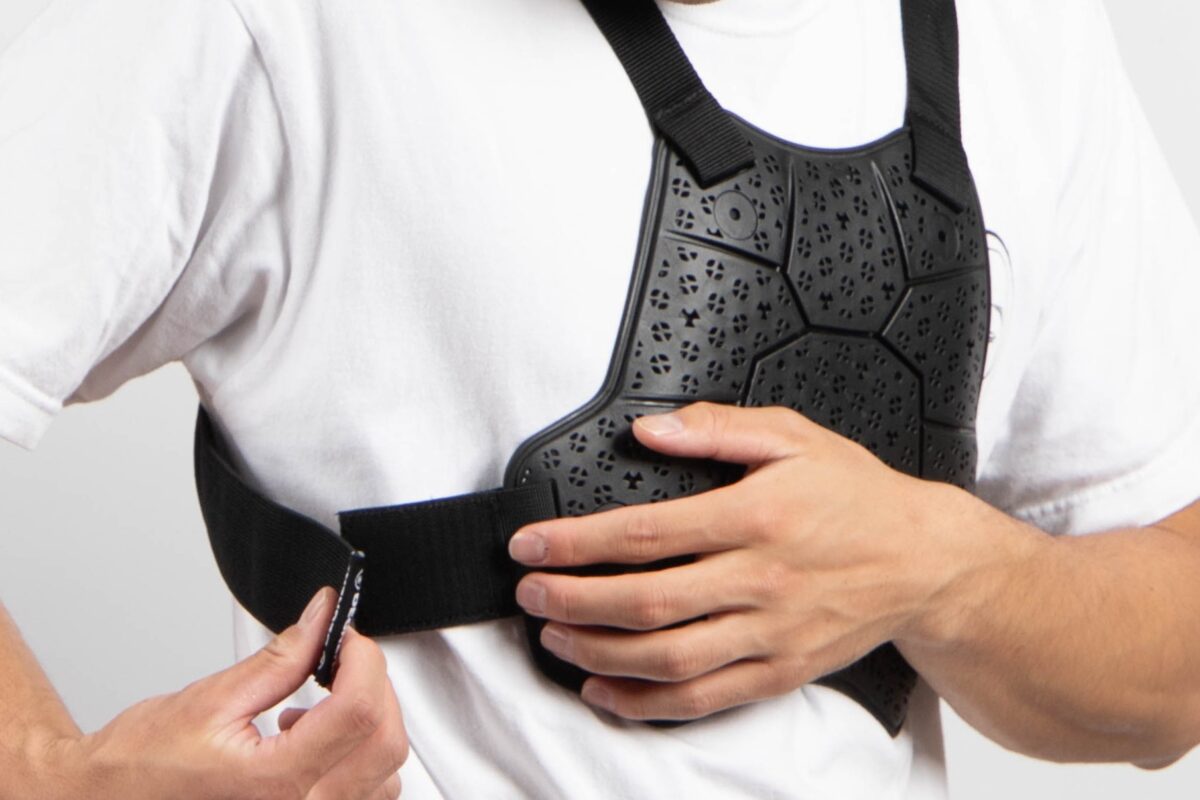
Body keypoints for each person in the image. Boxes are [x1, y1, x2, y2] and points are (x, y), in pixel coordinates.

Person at [2, 0, 1199, 798]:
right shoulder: (275, 20)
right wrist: (48, 772)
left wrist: (943, 571)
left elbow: (1174, 663)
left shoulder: (1022, 33)